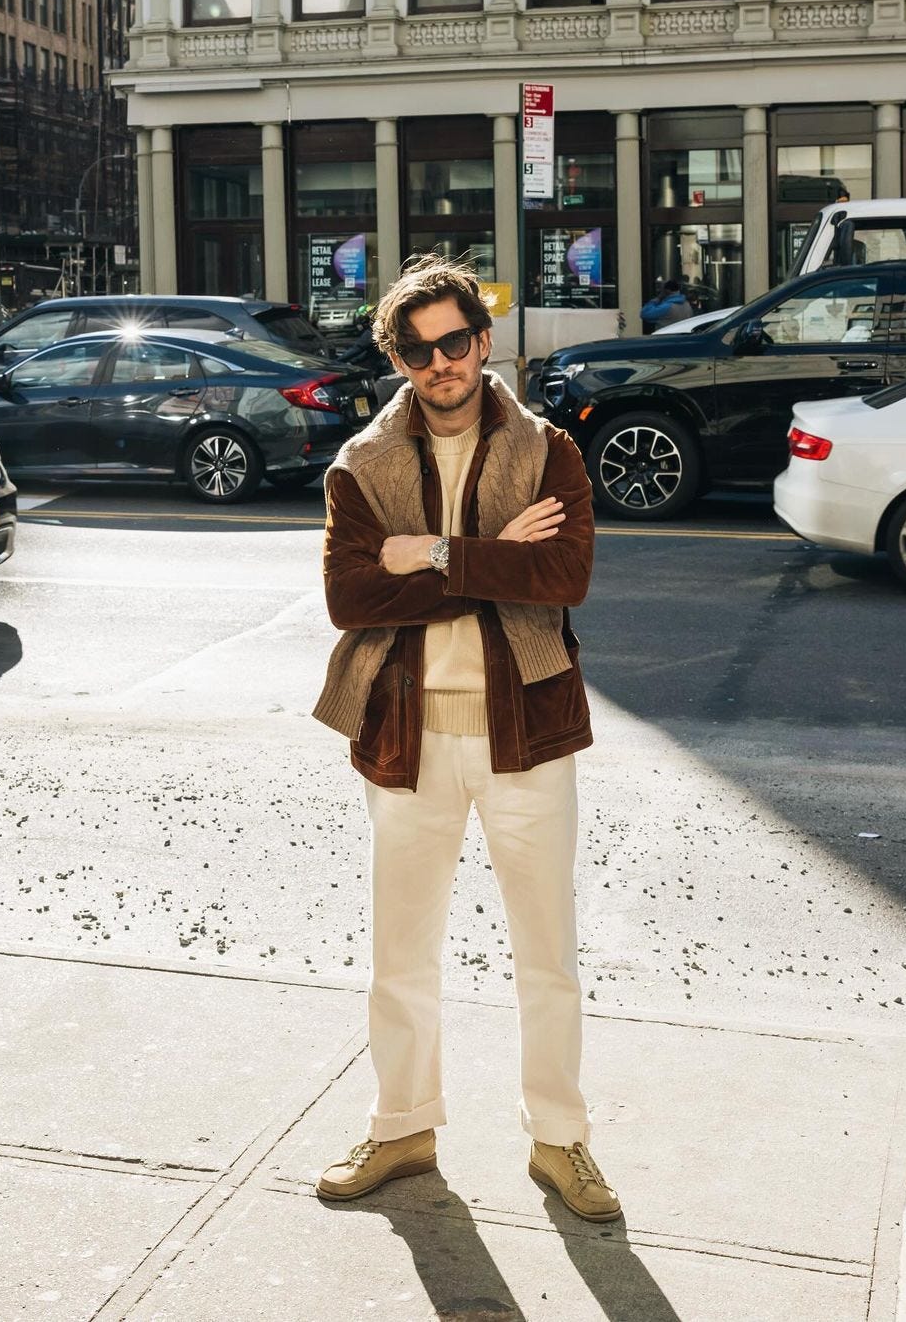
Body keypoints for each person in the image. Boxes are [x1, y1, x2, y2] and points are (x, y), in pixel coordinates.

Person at [312, 255, 621, 1224]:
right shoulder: (364, 463)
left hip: (525, 733)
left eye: (455, 341)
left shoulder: (545, 451)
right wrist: (494, 558)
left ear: (483, 343)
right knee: (400, 955)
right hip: (407, 739)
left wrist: (433, 552)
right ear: (399, 358)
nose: (441, 360)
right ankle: (403, 1126)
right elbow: (349, 596)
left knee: (549, 956)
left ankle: (560, 1142)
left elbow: (563, 576)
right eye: (419, 348)